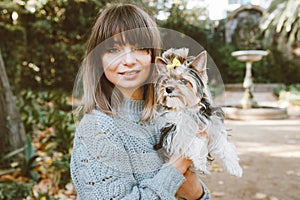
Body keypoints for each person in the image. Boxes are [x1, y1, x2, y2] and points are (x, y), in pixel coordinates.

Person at [70, 3, 210, 200]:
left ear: (153, 55)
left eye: (139, 48)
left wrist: (198, 193)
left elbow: (192, 191)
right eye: (113, 49)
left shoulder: (170, 115)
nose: (128, 60)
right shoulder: (97, 129)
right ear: (98, 60)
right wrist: (178, 165)